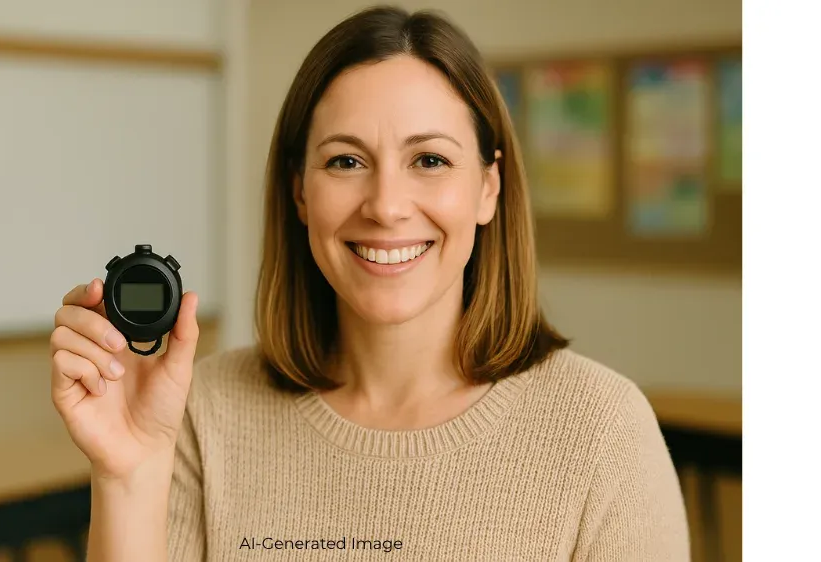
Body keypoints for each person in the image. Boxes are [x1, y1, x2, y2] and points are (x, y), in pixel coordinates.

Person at [50, 6, 690, 561]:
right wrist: (129, 474)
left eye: (430, 160)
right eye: (346, 161)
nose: (386, 205)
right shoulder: (203, 412)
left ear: (489, 188)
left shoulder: (603, 433)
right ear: (300, 190)